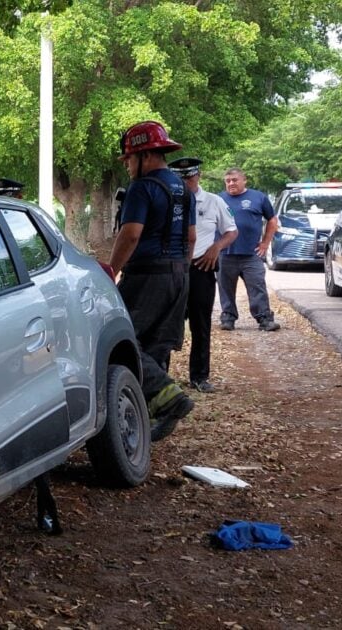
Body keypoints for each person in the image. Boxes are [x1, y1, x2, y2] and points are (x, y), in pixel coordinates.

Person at [106, 121, 196, 442]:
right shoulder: (183, 190)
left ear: (145, 155)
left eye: (130, 159)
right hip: (177, 273)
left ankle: (170, 398)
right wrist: (180, 271)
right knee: (156, 346)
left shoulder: (141, 189)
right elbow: (191, 237)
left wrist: (111, 269)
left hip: (146, 276)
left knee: (120, 339)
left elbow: (130, 234)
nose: (128, 166)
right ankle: (149, 416)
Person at [169, 158, 237, 393]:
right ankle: (161, 379)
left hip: (201, 268)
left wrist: (216, 248)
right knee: (167, 324)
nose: (187, 182)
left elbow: (231, 231)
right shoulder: (168, 200)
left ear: (198, 176)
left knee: (201, 325)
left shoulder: (213, 202)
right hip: (172, 268)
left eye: (190, 177)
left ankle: (199, 376)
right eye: (181, 178)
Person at [218, 168, 280, 332]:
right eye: (228, 180)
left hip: (251, 254)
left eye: (235, 180)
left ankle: (265, 319)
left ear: (244, 180)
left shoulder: (258, 197)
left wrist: (265, 243)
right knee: (225, 288)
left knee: (257, 286)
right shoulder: (218, 199)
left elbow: (272, 220)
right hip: (225, 253)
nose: (231, 183)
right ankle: (228, 318)